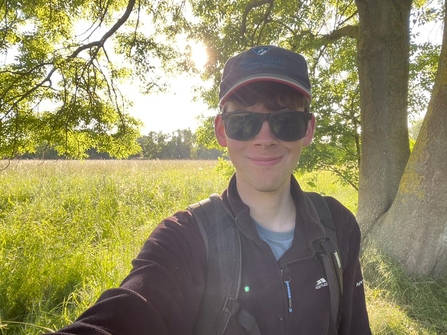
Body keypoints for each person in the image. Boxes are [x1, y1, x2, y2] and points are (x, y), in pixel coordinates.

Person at [44, 45, 371, 334]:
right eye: (244, 122)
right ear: (221, 131)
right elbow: (129, 312)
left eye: (286, 121)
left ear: (309, 129)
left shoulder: (338, 226)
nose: (265, 138)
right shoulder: (185, 239)